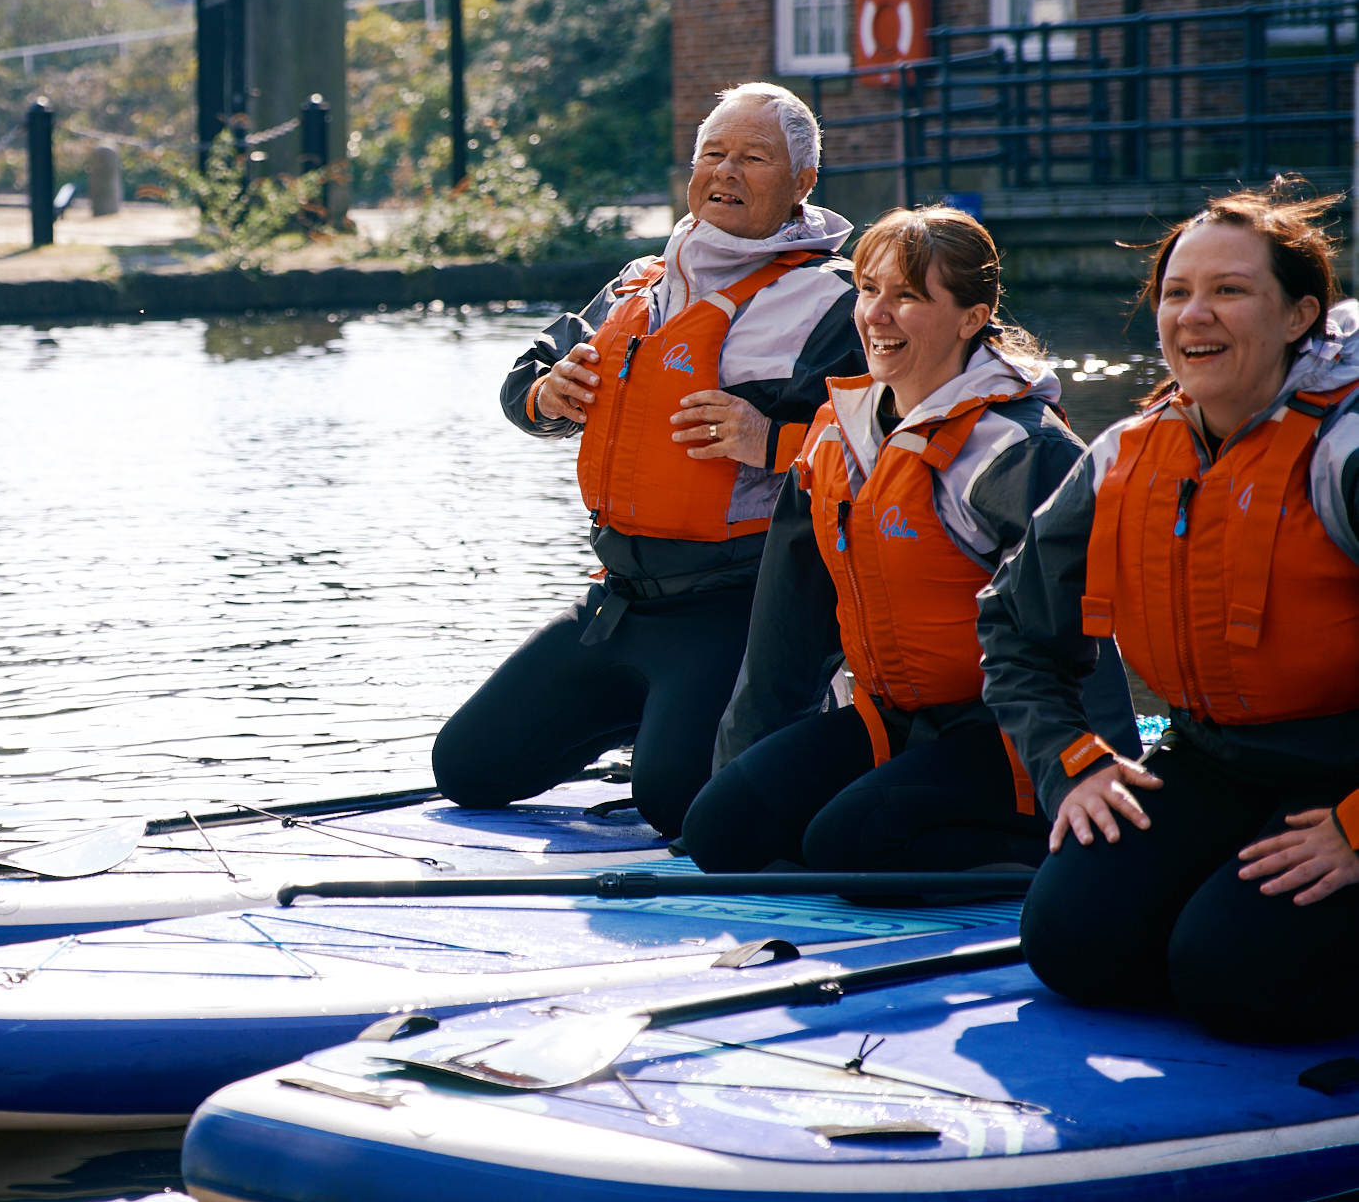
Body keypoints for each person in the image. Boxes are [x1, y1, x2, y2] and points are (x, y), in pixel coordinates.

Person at [431, 83, 865, 838]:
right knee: (467, 768)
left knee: (678, 804)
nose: (726, 171)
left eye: (753, 158)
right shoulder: (639, 281)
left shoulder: (839, 302)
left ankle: (818, 707)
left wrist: (770, 439)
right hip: (621, 602)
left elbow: (884, 449)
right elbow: (528, 377)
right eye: (713, 154)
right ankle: (661, 715)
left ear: (803, 183)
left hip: (741, 607)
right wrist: (546, 394)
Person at [980, 184, 1359, 1040]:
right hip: (1214, 757)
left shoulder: (1346, 451)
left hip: (1346, 772)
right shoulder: (1124, 454)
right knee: (1071, 940)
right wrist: (1073, 765)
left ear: (1300, 315)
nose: (1195, 314)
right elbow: (1012, 626)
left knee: (1232, 975)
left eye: (1230, 290)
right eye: (1177, 292)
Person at [682, 206, 1135, 874]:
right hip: (888, 721)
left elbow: (1084, 638)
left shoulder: (1020, 449)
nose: (876, 314)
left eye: (908, 296)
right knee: (719, 830)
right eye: (869, 289)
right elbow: (784, 637)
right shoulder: (834, 433)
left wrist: (1094, 778)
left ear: (972, 317)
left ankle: (1042, 844)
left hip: (1010, 735)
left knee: (849, 842)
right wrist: (737, 772)